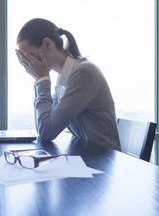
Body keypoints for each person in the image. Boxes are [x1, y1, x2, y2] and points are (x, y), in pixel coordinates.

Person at [15, 18, 120, 150]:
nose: (29, 64)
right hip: (88, 155)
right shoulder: (64, 76)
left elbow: (46, 132)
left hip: (102, 161)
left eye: (29, 56)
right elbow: (44, 124)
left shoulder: (84, 73)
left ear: (47, 44)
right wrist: (40, 80)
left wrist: (42, 80)